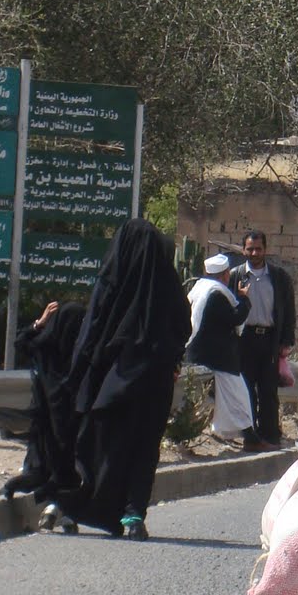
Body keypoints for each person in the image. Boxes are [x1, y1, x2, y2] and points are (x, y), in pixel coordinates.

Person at [58, 217, 191, 539]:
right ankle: (133, 515)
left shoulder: (113, 279)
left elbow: (92, 325)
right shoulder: (168, 283)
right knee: (144, 445)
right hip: (155, 380)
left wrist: (78, 370)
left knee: (99, 442)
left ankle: (79, 506)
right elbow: (183, 327)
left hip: (111, 376)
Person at [4, 299, 86, 530]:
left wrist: (39, 323)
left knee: (48, 471)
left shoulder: (45, 350)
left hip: (44, 436)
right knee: (65, 473)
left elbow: (21, 342)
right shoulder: (79, 362)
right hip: (66, 436)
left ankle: (54, 510)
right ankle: (60, 512)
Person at [186, 253, 264, 451]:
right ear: (225, 274)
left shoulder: (199, 288)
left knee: (229, 396)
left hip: (201, 353)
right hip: (218, 358)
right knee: (239, 396)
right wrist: (244, 299)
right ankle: (250, 438)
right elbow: (235, 318)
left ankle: (244, 434)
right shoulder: (216, 294)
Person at [228, 230, 295, 449]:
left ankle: (270, 435)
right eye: (250, 249)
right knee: (246, 390)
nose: (254, 253)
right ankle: (251, 437)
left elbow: (288, 310)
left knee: (268, 390)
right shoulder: (236, 276)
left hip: (269, 340)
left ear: (265, 249)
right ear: (243, 250)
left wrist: (286, 340)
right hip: (244, 340)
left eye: (258, 249)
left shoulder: (279, 277)